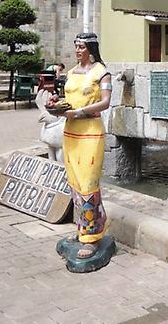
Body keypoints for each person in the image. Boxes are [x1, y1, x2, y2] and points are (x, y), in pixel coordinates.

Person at [45, 32, 112, 259]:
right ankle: (82, 228)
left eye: (81, 46)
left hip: (90, 131)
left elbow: (105, 102)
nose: (77, 50)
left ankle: (92, 237)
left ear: (91, 49)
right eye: (76, 46)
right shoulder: (72, 72)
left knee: (88, 182)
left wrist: (80, 111)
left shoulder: (101, 72)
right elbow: (66, 99)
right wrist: (55, 102)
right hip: (71, 131)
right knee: (74, 181)